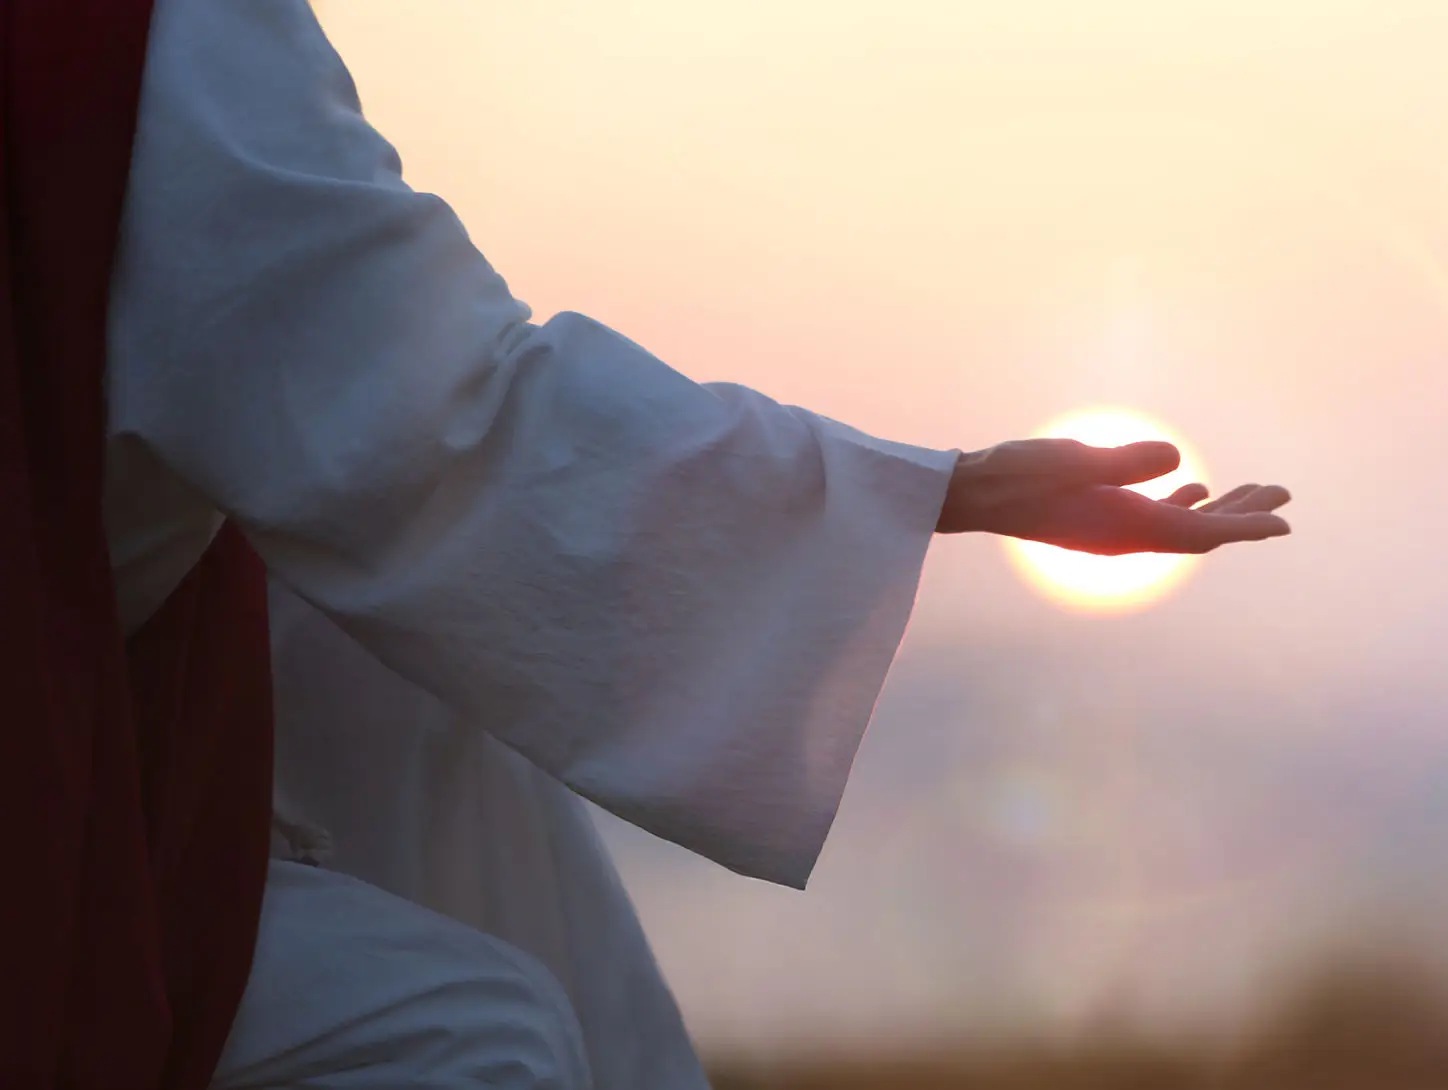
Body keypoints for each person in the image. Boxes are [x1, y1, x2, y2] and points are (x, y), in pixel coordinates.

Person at [2, 0, 1292, 1087]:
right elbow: (443, 420)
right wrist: (953, 491)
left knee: (412, 690)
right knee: (465, 1036)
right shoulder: (134, 38)